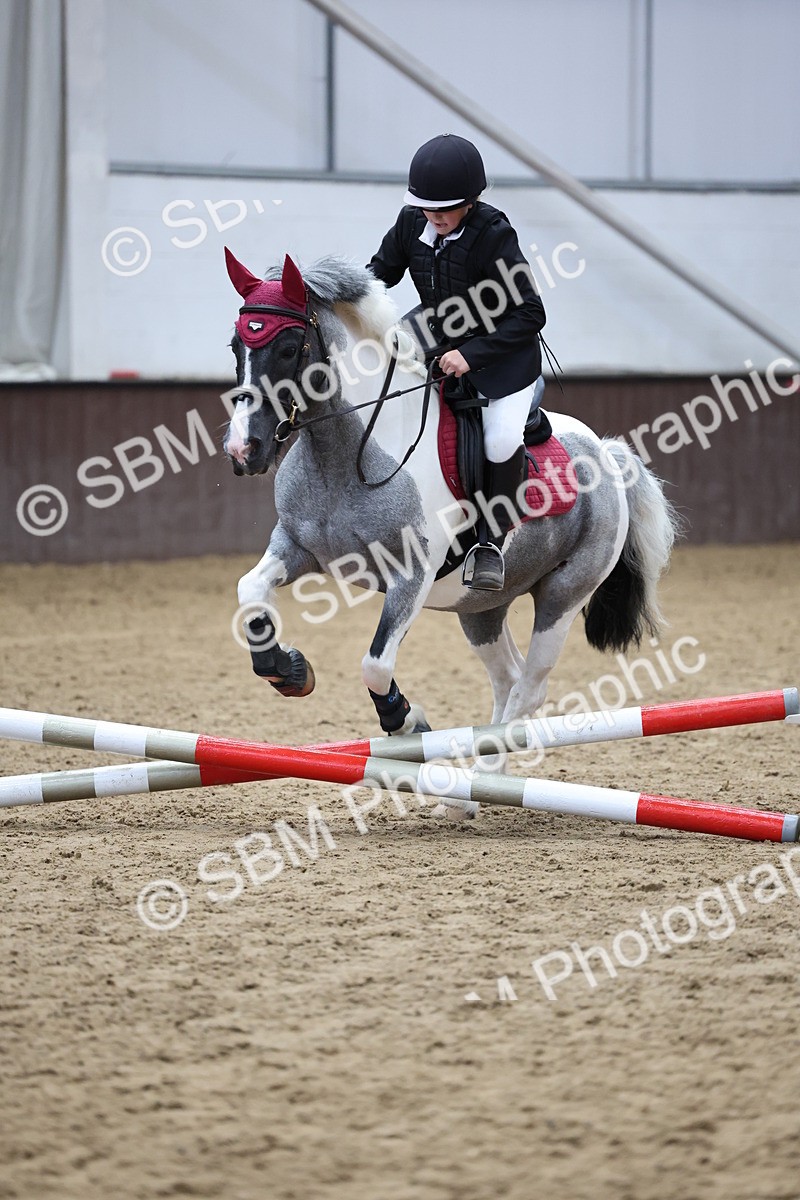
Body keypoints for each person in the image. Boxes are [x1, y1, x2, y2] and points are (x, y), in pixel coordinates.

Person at [367, 133, 546, 590]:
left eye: (445, 209)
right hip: (436, 338)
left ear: (472, 201)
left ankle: (489, 542)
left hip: (502, 357)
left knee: (501, 440)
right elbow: (376, 277)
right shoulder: (413, 223)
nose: (435, 218)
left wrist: (470, 355)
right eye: (427, 208)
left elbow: (531, 313)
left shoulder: (493, 234)